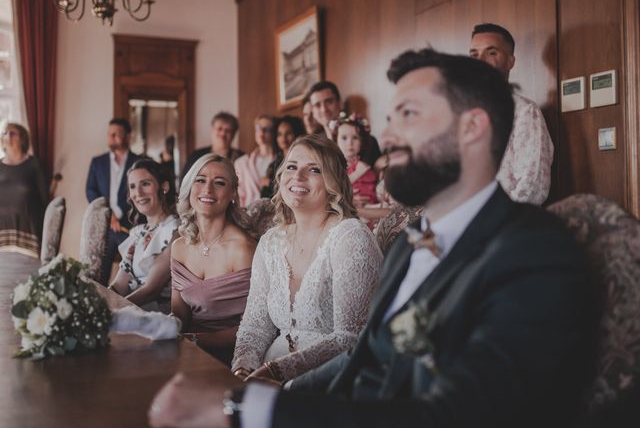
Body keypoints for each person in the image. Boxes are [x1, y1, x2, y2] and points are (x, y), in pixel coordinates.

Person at [148, 49, 594, 428]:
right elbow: (362, 358)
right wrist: (249, 386)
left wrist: (250, 409)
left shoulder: (533, 251)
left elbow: (457, 413)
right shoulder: (409, 245)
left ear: (471, 127)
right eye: (389, 118)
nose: (389, 135)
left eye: (409, 115)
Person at [230, 134, 382, 384]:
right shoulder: (270, 242)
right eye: (291, 167)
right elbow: (255, 326)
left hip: (333, 379)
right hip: (268, 374)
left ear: (333, 181)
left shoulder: (350, 237)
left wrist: (277, 372)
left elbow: (351, 337)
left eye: (314, 169)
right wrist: (242, 371)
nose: (298, 177)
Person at [171, 153, 256, 364]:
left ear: (233, 194)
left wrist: (193, 341)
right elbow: (179, 315)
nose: (207, 190)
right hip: (186, 351)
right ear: (190, 186)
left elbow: (255, 327)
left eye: (219, 183)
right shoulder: (179, 247)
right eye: (200, 180)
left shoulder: (243, 250)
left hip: (231, 357)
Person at [469, 23, 553, 205]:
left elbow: (533, 187)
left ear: (509, 62)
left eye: (491, 53)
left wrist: (487, 221)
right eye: (474, 54)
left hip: (502, 223)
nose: (480, 61)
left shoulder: (524, 112)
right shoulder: (461, 116)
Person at [108, 159, 179, 313]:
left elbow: (151, 290)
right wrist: (101, 301)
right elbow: (119, 285)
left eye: (145, 184)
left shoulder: (176, 230)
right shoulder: (138, 233)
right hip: (129, 309)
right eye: (132, 187)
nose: (138, 193)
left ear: (164, 187)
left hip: (157, 313)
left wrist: (112, 310)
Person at [86, 118, 141, 285]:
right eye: (110, 134)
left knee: (135, 269)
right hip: (105, 225)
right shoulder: (98, 162)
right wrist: (107, 215)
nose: (111, 137)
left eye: (116, 134)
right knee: (99, 272)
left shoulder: (139, 162)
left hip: (130, 225)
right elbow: (90, 190)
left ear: (128, 137)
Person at [0, 122, 48, 257]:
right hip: (2, 239)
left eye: (13, 133)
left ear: (23, 139)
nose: (8, 136)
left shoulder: (34, 165)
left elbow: (44, 200)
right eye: (5, 133)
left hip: (28, 237)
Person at [307, 81, 382, 166]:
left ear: (340, 103)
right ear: (313, 111)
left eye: (329, 102)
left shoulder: (367, 141)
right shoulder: (312, 146)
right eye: (317, 105)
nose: (324, 109)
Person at [180, 112, 244, 181]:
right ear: (212, 130)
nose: (223, 134)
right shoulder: (196, 156)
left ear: (233, 134)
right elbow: (184, 182)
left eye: (228, 131)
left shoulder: (242, 159)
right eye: (219, 129)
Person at [332, 112, 378, 206]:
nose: (350, 143)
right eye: (344, 138)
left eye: (355, 138)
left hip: (372, 202)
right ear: (336, 140)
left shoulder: (364, 163)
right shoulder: (336, 166)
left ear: (362, 142)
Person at [234, 115, 276, 207]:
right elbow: (238, 194)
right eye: (258, 128)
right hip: (247, 214)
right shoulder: (241, 163)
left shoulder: (280, 161)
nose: (262, 132)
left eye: (267, 129)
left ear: (274, 133)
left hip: (273, 213)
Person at [261, 115, 306, 199]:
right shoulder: (273, 165)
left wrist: (269, 183)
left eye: (288, 133)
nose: (283, 138)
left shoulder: (304, 161)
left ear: (296, 134)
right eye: (279, 134)